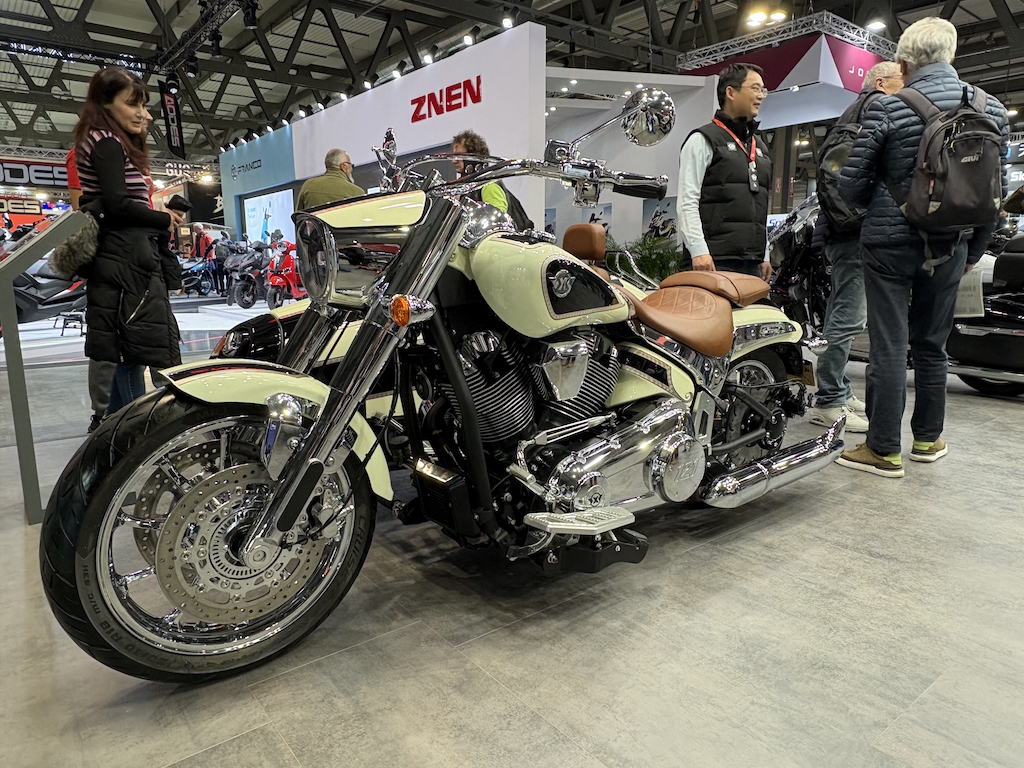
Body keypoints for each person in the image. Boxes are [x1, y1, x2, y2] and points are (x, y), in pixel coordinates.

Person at [836, 17, 1008, 477]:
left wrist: (883, 198)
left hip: (889, 245)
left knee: (889, 345)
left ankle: (883, 449)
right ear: (951, 56)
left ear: (904, 63)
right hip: (953, 245)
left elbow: (849, 187)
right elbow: (993, 195)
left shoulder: (888, 108)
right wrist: (974, 251)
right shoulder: (990, 109)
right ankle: (928, 440)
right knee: (932, 345)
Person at [75, 66, 185, 415]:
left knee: (127, 350)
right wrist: (163, 219)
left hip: (123, 260)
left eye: (144, 105)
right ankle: (134, 434)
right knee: (130, 352)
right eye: (132, 104)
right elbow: (118, 205)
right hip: (124, 262)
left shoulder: (106, 140)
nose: (144, 114)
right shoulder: (106, 141)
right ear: (105, 103)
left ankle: (121, 430)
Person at [809, 61, 904, 435]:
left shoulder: (854, 112)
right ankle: (829, 399)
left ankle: (837, 389)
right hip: (856, 232)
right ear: (880, 83)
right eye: (901, 83)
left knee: (842, 312)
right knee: (849, 316)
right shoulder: (876, 108)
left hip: (841, 229)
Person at [677, 63, 774, 280]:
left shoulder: (759, 147)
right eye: (755, 88)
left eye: (763, 90)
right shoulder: (702, 140)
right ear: (730, 92)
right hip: (712, 260)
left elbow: (759, 206)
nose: (760, 96)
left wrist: (764, 253)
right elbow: (687, 201)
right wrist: (698, 250)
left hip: (753, 262)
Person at [452, 130, 534, 229]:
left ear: (473, 156)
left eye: (459, 155)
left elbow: (497, 226)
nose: (454, 161)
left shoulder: (488, 185)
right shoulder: (469, 187)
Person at [295, 149, 364, 210]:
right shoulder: (357, 192)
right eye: (351, 166)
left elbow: (299, 216)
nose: (351, 169)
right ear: (344, 167)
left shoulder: (309, 185)